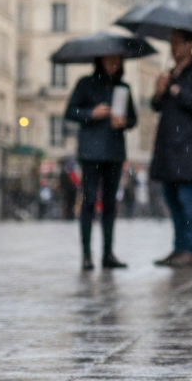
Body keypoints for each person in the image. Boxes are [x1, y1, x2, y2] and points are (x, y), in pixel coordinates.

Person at [64, 54, 137, 270]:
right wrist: (91, 113)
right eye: (108, 60)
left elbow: (133, 118)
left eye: (116, 61)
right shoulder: (85, 84)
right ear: (100, 61)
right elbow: (70, 111)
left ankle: (108, 253)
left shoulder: (123, 88)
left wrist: (123, 122)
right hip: (90, 152)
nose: (112, 64)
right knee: (88, 201)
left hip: (114, 152)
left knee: (110, 204)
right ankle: (86, 254)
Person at [150, 29, 192, 267]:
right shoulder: (170, 73)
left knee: (187, 199)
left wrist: (177, 90)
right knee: (172, 199)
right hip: (168, 148)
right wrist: (159, 92)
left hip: (189, 149)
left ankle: (190, 250)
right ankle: (178, 248)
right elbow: (156, 106)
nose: (173, 47)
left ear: (190, 44)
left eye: (177, 42)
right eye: (171, 42)